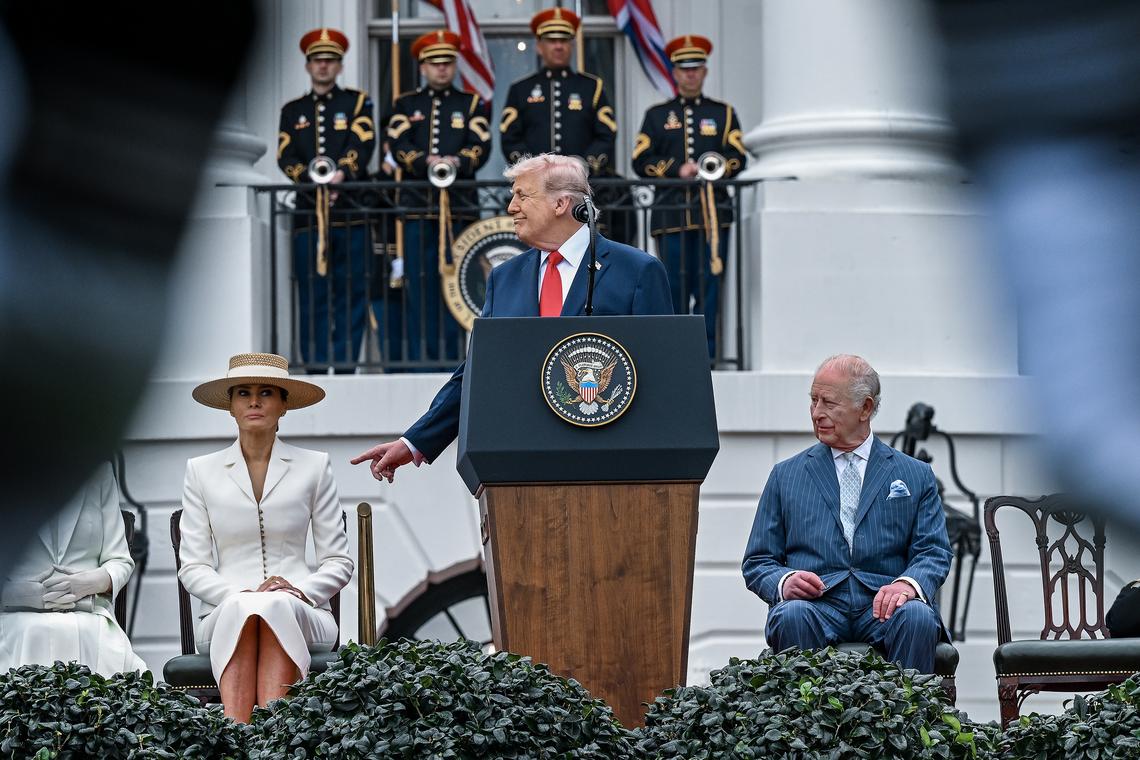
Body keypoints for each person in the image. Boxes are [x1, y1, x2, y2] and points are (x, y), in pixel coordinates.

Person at [351, 153, 672, 481]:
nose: (511, 207)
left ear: (561, 203)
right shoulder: (505, 278)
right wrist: (415, 441)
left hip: (612, 468)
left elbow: (663, 375)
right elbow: (477, 372)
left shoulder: (637, 271)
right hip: (522, 466)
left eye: (522, 195)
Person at [741, 354, 953, 674]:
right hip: (816, 606)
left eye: (828, 403)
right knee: (791, 615)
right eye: (813, 400)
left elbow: (933, 551)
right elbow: (757, 562)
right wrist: (785, 581)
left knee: (918, 616)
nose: (817, 413)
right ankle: (805, 724)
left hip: (886, 606)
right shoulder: (785, 476)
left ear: (865, 408)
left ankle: (906, 721)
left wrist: (907, 586)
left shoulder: (915, 475)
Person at [179, 353, 353, 722]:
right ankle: (255, 740)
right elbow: (192, 566)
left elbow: (339, 563)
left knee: (274, 606)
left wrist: (297, 591)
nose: (254, 401)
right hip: (224, 613)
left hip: (305, 611)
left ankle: (252, 739)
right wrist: (237, 596)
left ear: (283, 404)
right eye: (243, 392)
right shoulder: (200, 471)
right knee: (251, 608)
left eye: (266, 392)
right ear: (231, 406)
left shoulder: (315, 466)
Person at [632, 35, 748, 360]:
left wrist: (716, 168)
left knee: (710, 288)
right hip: (671, 217)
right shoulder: (657, 116)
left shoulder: (723, 113)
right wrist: (675, 171)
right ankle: (677, 354)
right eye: (684, 69)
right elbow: (641, 159)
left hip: (713, 216)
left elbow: (738, 155)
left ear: (705, 71)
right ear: (675, 73)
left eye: (696, 68)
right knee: (675, 289)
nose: (691, 75)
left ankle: (707, 355)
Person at [388, 30, 492, 367]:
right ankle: (422, 358)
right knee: (420, 286)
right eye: (435, 63)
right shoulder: (405, 104)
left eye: (447, 62)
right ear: (423, 67)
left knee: (457, 287)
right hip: (419, 209)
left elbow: (481, 145)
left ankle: (452, 358)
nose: (442, 69)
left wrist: (458, 161)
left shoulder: (471, 103)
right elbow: (398, 145)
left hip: (460, 211)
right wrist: (424, 162)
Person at [278, 28, 377, 373]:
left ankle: (347, 364)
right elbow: (285, 155)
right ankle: (317, 367)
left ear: (339, 66)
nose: (323, 66)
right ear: (308, 66)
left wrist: (342, 175)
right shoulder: (293, 111)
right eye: (317, 60)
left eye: (330, 60)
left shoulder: (357, 102)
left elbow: (363, 143)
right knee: (312, 295)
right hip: (309, 216)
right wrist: (310, 179)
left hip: (352, 214)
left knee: (352, 294)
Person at [0, 462, 145, 676]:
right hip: (15, 619)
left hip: (89, 615)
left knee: (91, 635)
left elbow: (120, 561)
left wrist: (88, 583)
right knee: (31, 631)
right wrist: (21, 595)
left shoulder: (99, 472)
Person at [500, 8, 617, 177]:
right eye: (551, 40)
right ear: (539, 47)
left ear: (572, 45)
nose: (558, 46)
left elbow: (606, 135)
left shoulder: (592, 87)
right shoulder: (520, 89)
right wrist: (533, 170)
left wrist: (581, 168)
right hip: (536, 186)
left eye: (564, 40)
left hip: (583, 184)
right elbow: (510, 139)